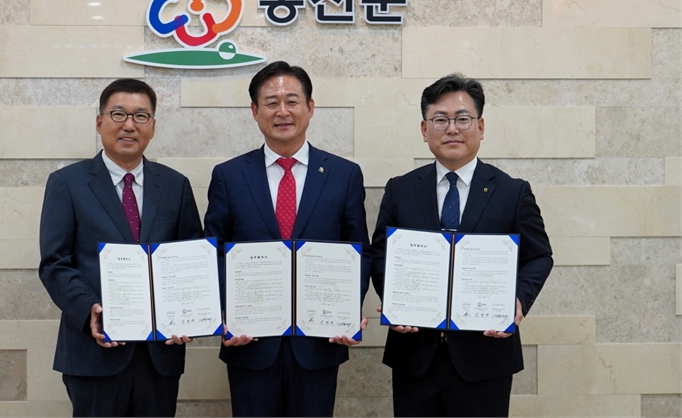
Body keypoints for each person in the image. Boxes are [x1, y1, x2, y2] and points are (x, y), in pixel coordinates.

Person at [370, 74, 553, 417]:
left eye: (462, 119)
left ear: (480, 127)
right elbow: (380, 254)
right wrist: (393, 297)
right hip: (415, 355)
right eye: (440, 119)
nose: (452, 129)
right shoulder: (400, 190)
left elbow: (539, 256)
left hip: (485, 356)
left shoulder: (512, 192)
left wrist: (518, 300)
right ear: (424, 130)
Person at [204, 61, 371, 417]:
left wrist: (347, 310)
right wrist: (223, 313)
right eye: (271, 102)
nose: (282, 111)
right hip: (250, 344)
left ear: (310, 107)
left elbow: (359, 252)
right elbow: (213, 252)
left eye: (292, 101)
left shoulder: (343, 175)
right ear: (255, 111)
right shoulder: (229, 176)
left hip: (319, 344)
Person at [38, 78, 202, 417]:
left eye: (141, 116)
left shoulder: (175, 185)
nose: (129, 125)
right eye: (118, 114)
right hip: (94, 352)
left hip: (159, 355)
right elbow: (55, 263)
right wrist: (89, 310)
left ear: (153, 127)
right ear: (99, 122)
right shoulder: (67, 183)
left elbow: (192, 261)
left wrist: (191, 314)